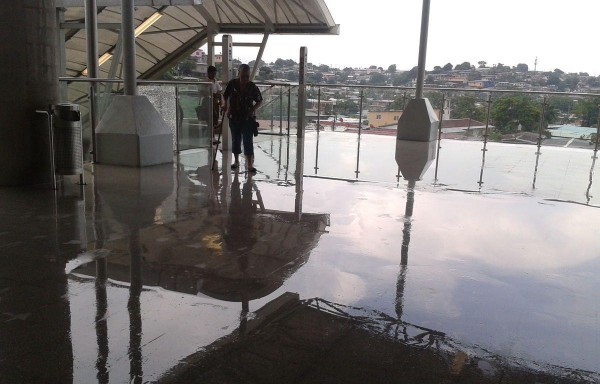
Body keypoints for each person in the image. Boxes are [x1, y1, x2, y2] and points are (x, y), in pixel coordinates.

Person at [223, 64, 263, 173]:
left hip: (247, 118)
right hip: (234, 116)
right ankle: (236, 161)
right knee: (236, 139)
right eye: (243, 75)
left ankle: (249, 164)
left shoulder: (252, 87)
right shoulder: (232, 84)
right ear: (238, 73)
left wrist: (252, 110)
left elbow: (259, 100)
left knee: (247, 140)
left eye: (247, 76)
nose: (245, 78)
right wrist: (225, 106)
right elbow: (225, 96)